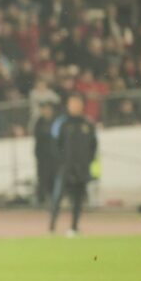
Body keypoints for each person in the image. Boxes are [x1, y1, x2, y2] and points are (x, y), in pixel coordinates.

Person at [49, 93, 98, 236]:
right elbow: (54, 145)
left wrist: (88, 161)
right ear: (68, 105)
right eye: (72, 103)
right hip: (65, 167)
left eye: (77, 103)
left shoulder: (88, 124)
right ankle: (52, 226)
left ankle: (74, 227)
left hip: (82, 168)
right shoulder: (61, 123)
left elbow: (93, 145)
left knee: (78, 199)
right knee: (57, 197)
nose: (75, 106)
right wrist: (61, 162)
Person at [33, 103, 56, 206]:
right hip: (42, 156)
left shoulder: (56, 122)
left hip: (54, 156)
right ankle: (41, 199)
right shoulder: (39, 122)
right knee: (42, 178)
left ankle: (53, 198)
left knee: (53, 178)